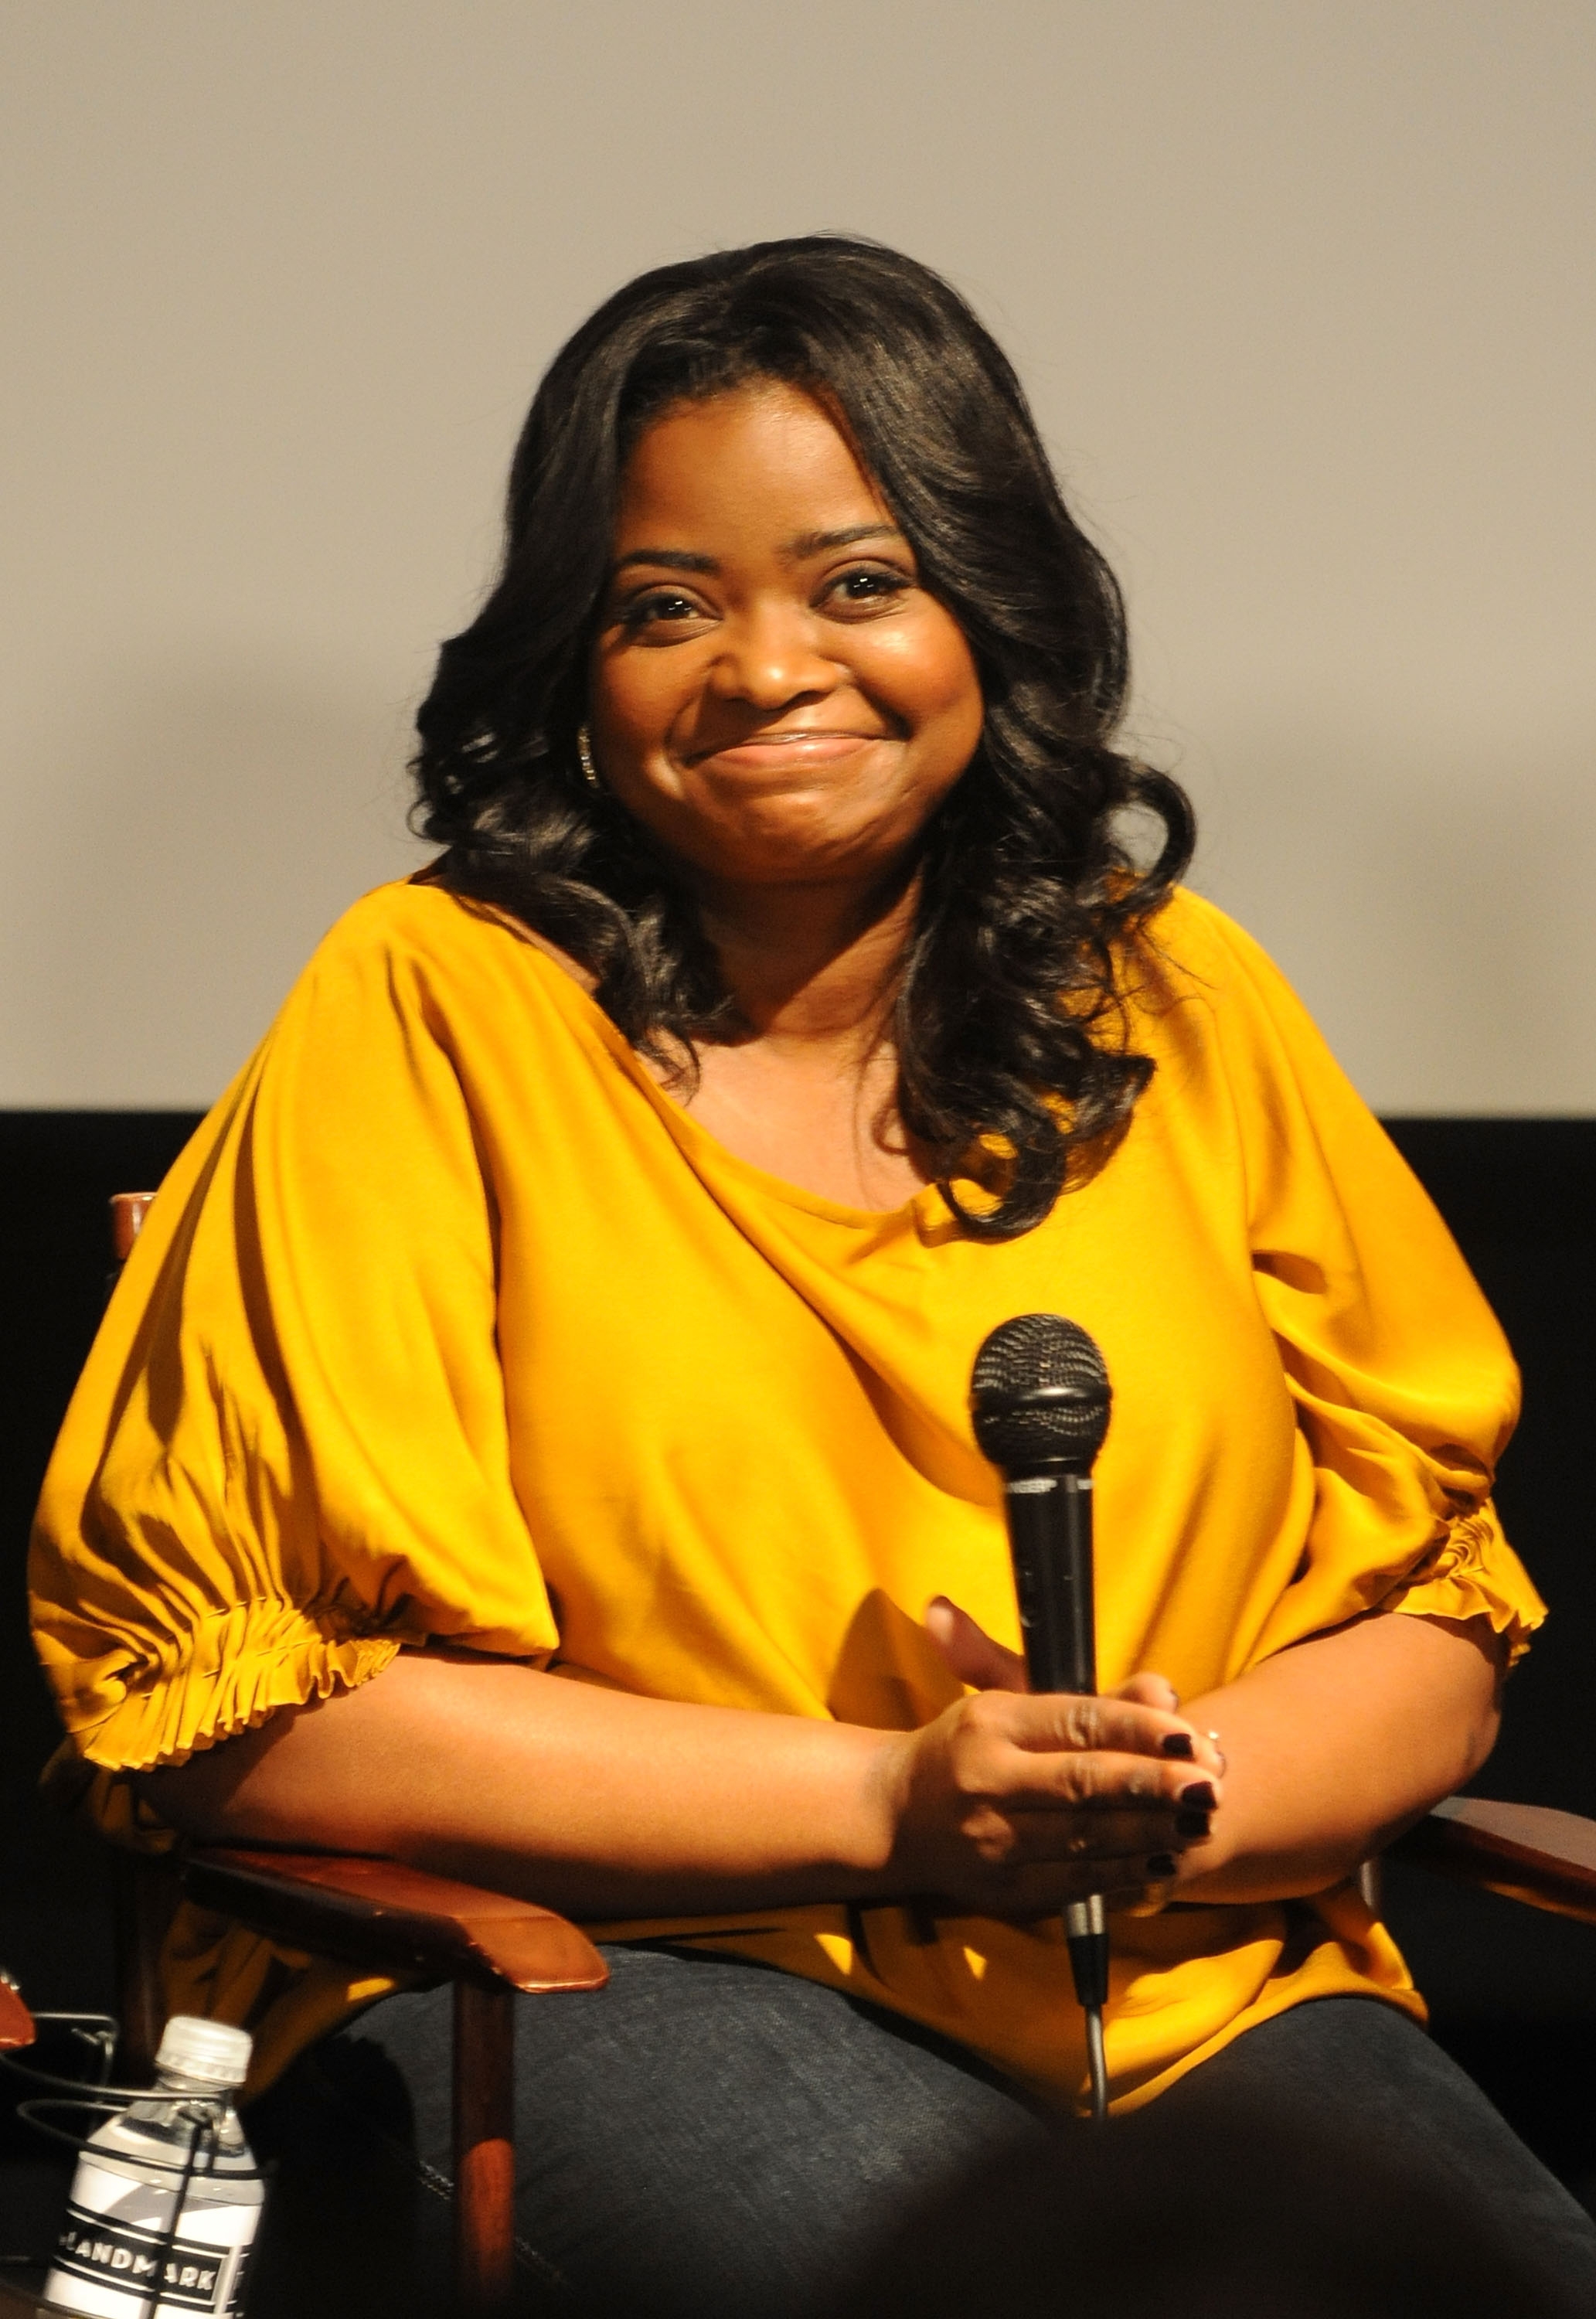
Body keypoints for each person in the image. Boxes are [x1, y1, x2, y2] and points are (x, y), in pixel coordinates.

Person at [29, 237, 1596, 2315]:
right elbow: (238, 1714)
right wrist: (891, 1800)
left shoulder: (1174, 998)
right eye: (664, 607)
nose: (767, 669)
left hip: (1187, 1978)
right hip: (604, 1962)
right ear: (572, 670)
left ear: (990, 609)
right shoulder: (431, 1008)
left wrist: (1166, 1797)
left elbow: (1428, 1613)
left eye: (860, 581)